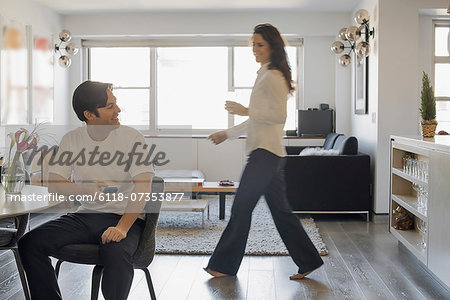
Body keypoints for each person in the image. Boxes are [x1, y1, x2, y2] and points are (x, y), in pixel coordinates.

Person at [204, 24, 324, 280]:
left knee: (241, 208)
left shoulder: (273, 76)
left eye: (259, 44)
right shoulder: (265, 73)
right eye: (253, 44)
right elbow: (258, 119)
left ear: (272, 46)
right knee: (281, 212)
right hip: (267, 152)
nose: (254, 49)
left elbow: (279, 116)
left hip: (266, 154)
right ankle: (309, 260)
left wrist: (246, 110)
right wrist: (228, 133)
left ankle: (223, 266)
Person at [18, 81, 154, 299]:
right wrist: (87, 190)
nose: (118, 110)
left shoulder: (131, 138)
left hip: (125, 217)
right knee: (29, 242)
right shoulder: (72, 140)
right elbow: (55, 183)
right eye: (110, 106)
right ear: (89, 115)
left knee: (115, 250)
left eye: (116, 104)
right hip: (85, 216)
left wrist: (121, 228)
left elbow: (144, 185)